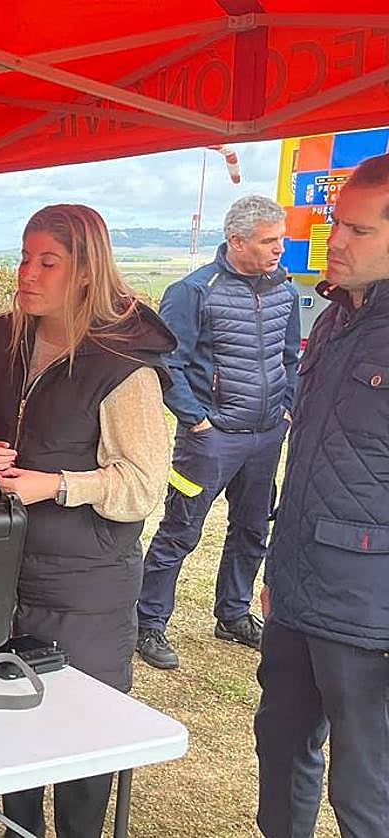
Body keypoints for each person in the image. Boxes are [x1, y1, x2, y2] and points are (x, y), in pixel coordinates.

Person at [0, 204, 172, 838]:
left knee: (83, 749)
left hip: (87, 586)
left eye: (46, 262)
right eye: (24, 257)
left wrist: (57, 485)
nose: (27, 273)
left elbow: (142, 488)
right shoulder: (1, 338)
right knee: (10, 737)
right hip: (3, 575)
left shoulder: (123, 363)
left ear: (85, 271)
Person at [254, 153, 389, 838]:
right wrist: (280, 570)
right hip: (301, 591)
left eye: (359, 231)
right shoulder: (334, 321)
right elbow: (312, 460)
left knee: (366, 793)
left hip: (371, 613)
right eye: (337, 222)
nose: (334, 240)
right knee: (280, 751)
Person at [135, 195, 300, 670]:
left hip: (267, 436)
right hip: (209, 441)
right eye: (269, 241)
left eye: (281, 239)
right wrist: (196, 420)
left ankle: (233, 615)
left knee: (251, 531)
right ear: (236, 240)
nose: (278, 249)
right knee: (179, 531)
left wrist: (285, 410)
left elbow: (290, 358)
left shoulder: (283, 290)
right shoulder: (193, 291)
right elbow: (166, 361)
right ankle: (149, 623)